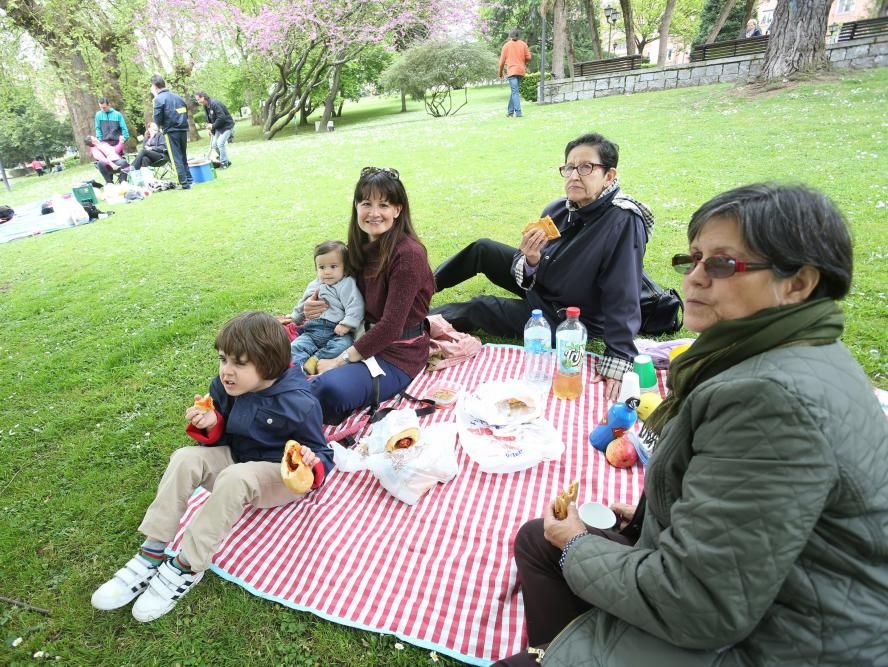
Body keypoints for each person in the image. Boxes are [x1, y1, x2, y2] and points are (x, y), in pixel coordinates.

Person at [495, 183, 888, 667]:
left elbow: (698, 604)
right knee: (539, 538)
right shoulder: (788, 350)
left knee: (556, 547)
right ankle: (550, 651)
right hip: (765, 598)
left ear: (799, 283)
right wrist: (648, 520)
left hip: (780, 641)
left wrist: (577, 543)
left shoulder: (770, 399)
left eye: (722, 264)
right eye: (694, 258)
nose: (694, 279)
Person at [91, 311, 334, 623]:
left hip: (275, 477)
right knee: (185, 457)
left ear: (270, 362)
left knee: (236, 476)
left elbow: (321, 451)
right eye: (223, 359)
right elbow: (220, 433)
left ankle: (187, 565)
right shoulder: (223, 388)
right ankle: (152, 550)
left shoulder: (299, 401)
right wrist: (212, 422)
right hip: (237, 459)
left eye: (239, 363)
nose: (226, 372)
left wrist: (311, 461)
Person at [432, 133, 652, 401]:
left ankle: (414, 325)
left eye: (586, 167)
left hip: (563, 315)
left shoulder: (622, 221)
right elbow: (524, 263)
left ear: (609, 175)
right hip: (542, 283)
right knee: (483, 248)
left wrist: (619, 356)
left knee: (480, 307)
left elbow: (623, 292)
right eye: (569, 167)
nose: (574, 175)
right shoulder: (559, 208)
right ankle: (420, 290)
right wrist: (531, 260)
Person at [303, 167, 434, 423]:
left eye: (384, 205)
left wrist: (340, 361)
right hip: (355, 337)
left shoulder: (408, 255)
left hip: (396, 353)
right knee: (279, 363)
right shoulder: (359, 248)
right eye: (366, 203)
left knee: (327, 388)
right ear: (356, 207)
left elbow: (391, 327)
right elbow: (337, 286)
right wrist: (313, 304)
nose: (374, 213)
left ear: (398, 210)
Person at [281, 240, 365, 372]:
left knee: (344, 346)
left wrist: (347, 324)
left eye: (333, 266)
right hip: (313, 330)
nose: (327, 272)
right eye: (322, 267)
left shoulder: (346, 284)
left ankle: (315, 361)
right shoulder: (315, 284)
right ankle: (295, 370)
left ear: (345, 267)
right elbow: (303, 303)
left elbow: (355, 305)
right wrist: (295, 317)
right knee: (296, 347)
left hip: (337, 331)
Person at [151, 74, 193, 190]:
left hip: (171, 131)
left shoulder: (158, 99)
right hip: (183, 129)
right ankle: (189, 179)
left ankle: (184, 183)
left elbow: (157, 118)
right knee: (183, 155)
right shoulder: (178, 97)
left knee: (176, 157)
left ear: (155, 86)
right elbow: (184, 111)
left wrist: (160, 125)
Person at [195, 91, 234, 169]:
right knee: (214, 145)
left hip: (227, 126)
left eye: (198, 99)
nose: (198, 101)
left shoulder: (215, 104)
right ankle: (226, 160)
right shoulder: (206, 106)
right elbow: (209, 119)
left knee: (220, 143)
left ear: (203, 97)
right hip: (218, 128)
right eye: (197, 100)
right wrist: (210, 129)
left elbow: (222, 117)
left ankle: (224, 163)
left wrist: (212, 126)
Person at [498, 29, 532, 118]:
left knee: (514, 92)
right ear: (518, 35)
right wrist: (523, 62)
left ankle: (518, 113)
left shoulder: (506, 46)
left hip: (512, 71)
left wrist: (500, 73)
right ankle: (510, 112)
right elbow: (529, 57)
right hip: (521, 71)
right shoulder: (523, 44)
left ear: (510, 36)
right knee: (515, 91)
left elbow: (501, 62)